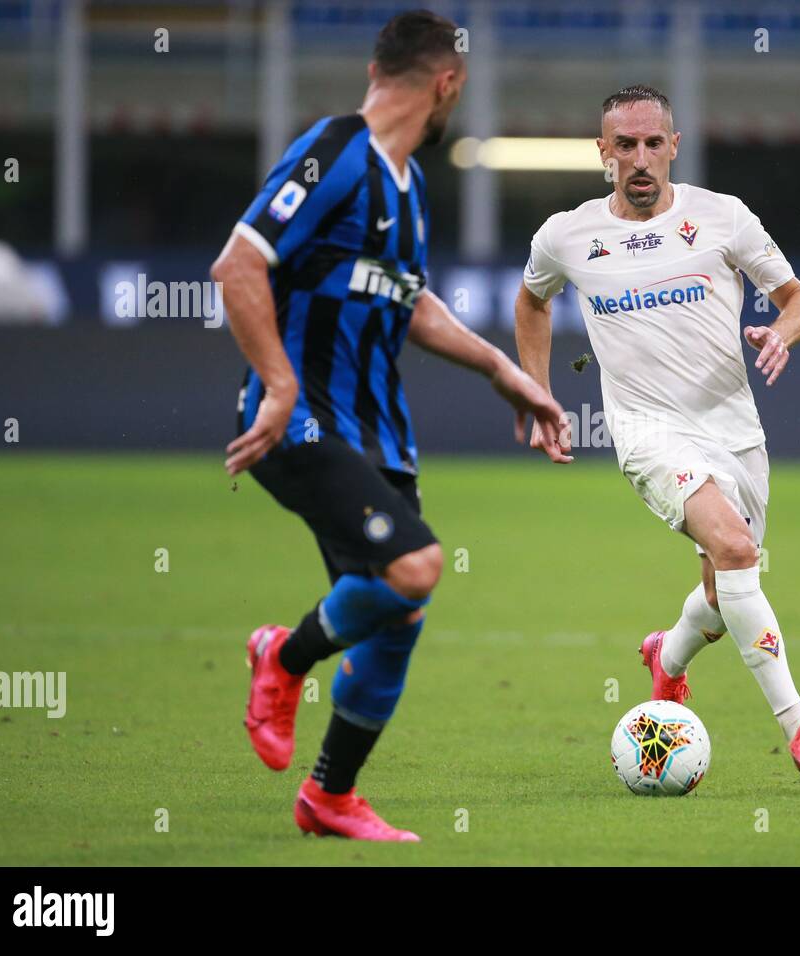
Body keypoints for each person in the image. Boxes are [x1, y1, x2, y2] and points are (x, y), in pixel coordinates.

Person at [211, 10, 565, 841]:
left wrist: (502, 371)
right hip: (300, 419)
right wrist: (276, 382)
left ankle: (330, 795)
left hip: (377, 432)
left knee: (397, 611)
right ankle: (284, 657)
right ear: (447, 84)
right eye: (457, 94)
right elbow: (238, 264)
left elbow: (409, 302)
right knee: (416, 566)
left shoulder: (406, 186)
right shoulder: (336, 153)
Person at [514, 85, 800, 780]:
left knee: (725, 589)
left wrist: (781, 332)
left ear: (673, 146)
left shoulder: (723, 219)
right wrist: (538, 393)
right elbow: (531, 301)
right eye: (625, 145)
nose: (640, 158)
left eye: (652, 143)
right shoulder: (567, 235)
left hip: (734, 431)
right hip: (646, 432)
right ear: (602, 152)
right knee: (734, 549)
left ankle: (665, 657)